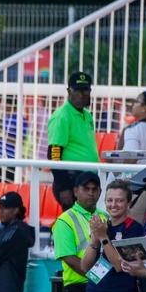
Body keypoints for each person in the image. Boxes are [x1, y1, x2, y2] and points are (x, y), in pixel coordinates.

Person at [52, 171, 103, 292]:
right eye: (86, 189)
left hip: (101, 287)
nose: (91, 193)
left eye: (94, 189)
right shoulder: (64, 220)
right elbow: (70, 259)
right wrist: (100, 277)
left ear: (100, 192)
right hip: (78, 289)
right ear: (75, 191)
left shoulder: (105, 216)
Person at [48, 71, 98, 210]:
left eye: (85, 90)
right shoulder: (62, 115)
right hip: (71, 178)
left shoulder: (87, 115)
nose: (82, 95)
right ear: (69, 91)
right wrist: (63, 186)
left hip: (87, 177)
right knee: (74, 224)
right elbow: (54, 153)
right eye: (77, 90)